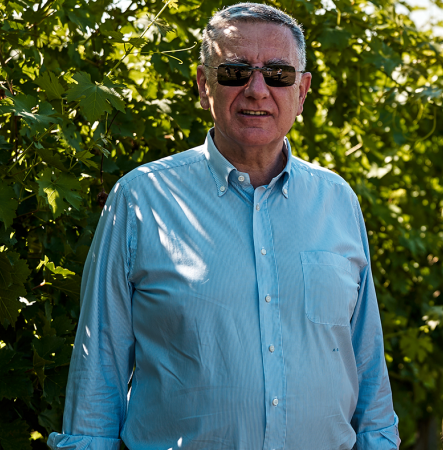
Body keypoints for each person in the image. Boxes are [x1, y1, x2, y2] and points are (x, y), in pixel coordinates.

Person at [48, 4, 399, 449]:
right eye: (234, 71)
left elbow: (366, 361)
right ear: (203, 85)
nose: (257, 90)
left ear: (303, 90)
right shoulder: (142, 200)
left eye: (278, 74)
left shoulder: (337, 202)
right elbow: (100, 365)